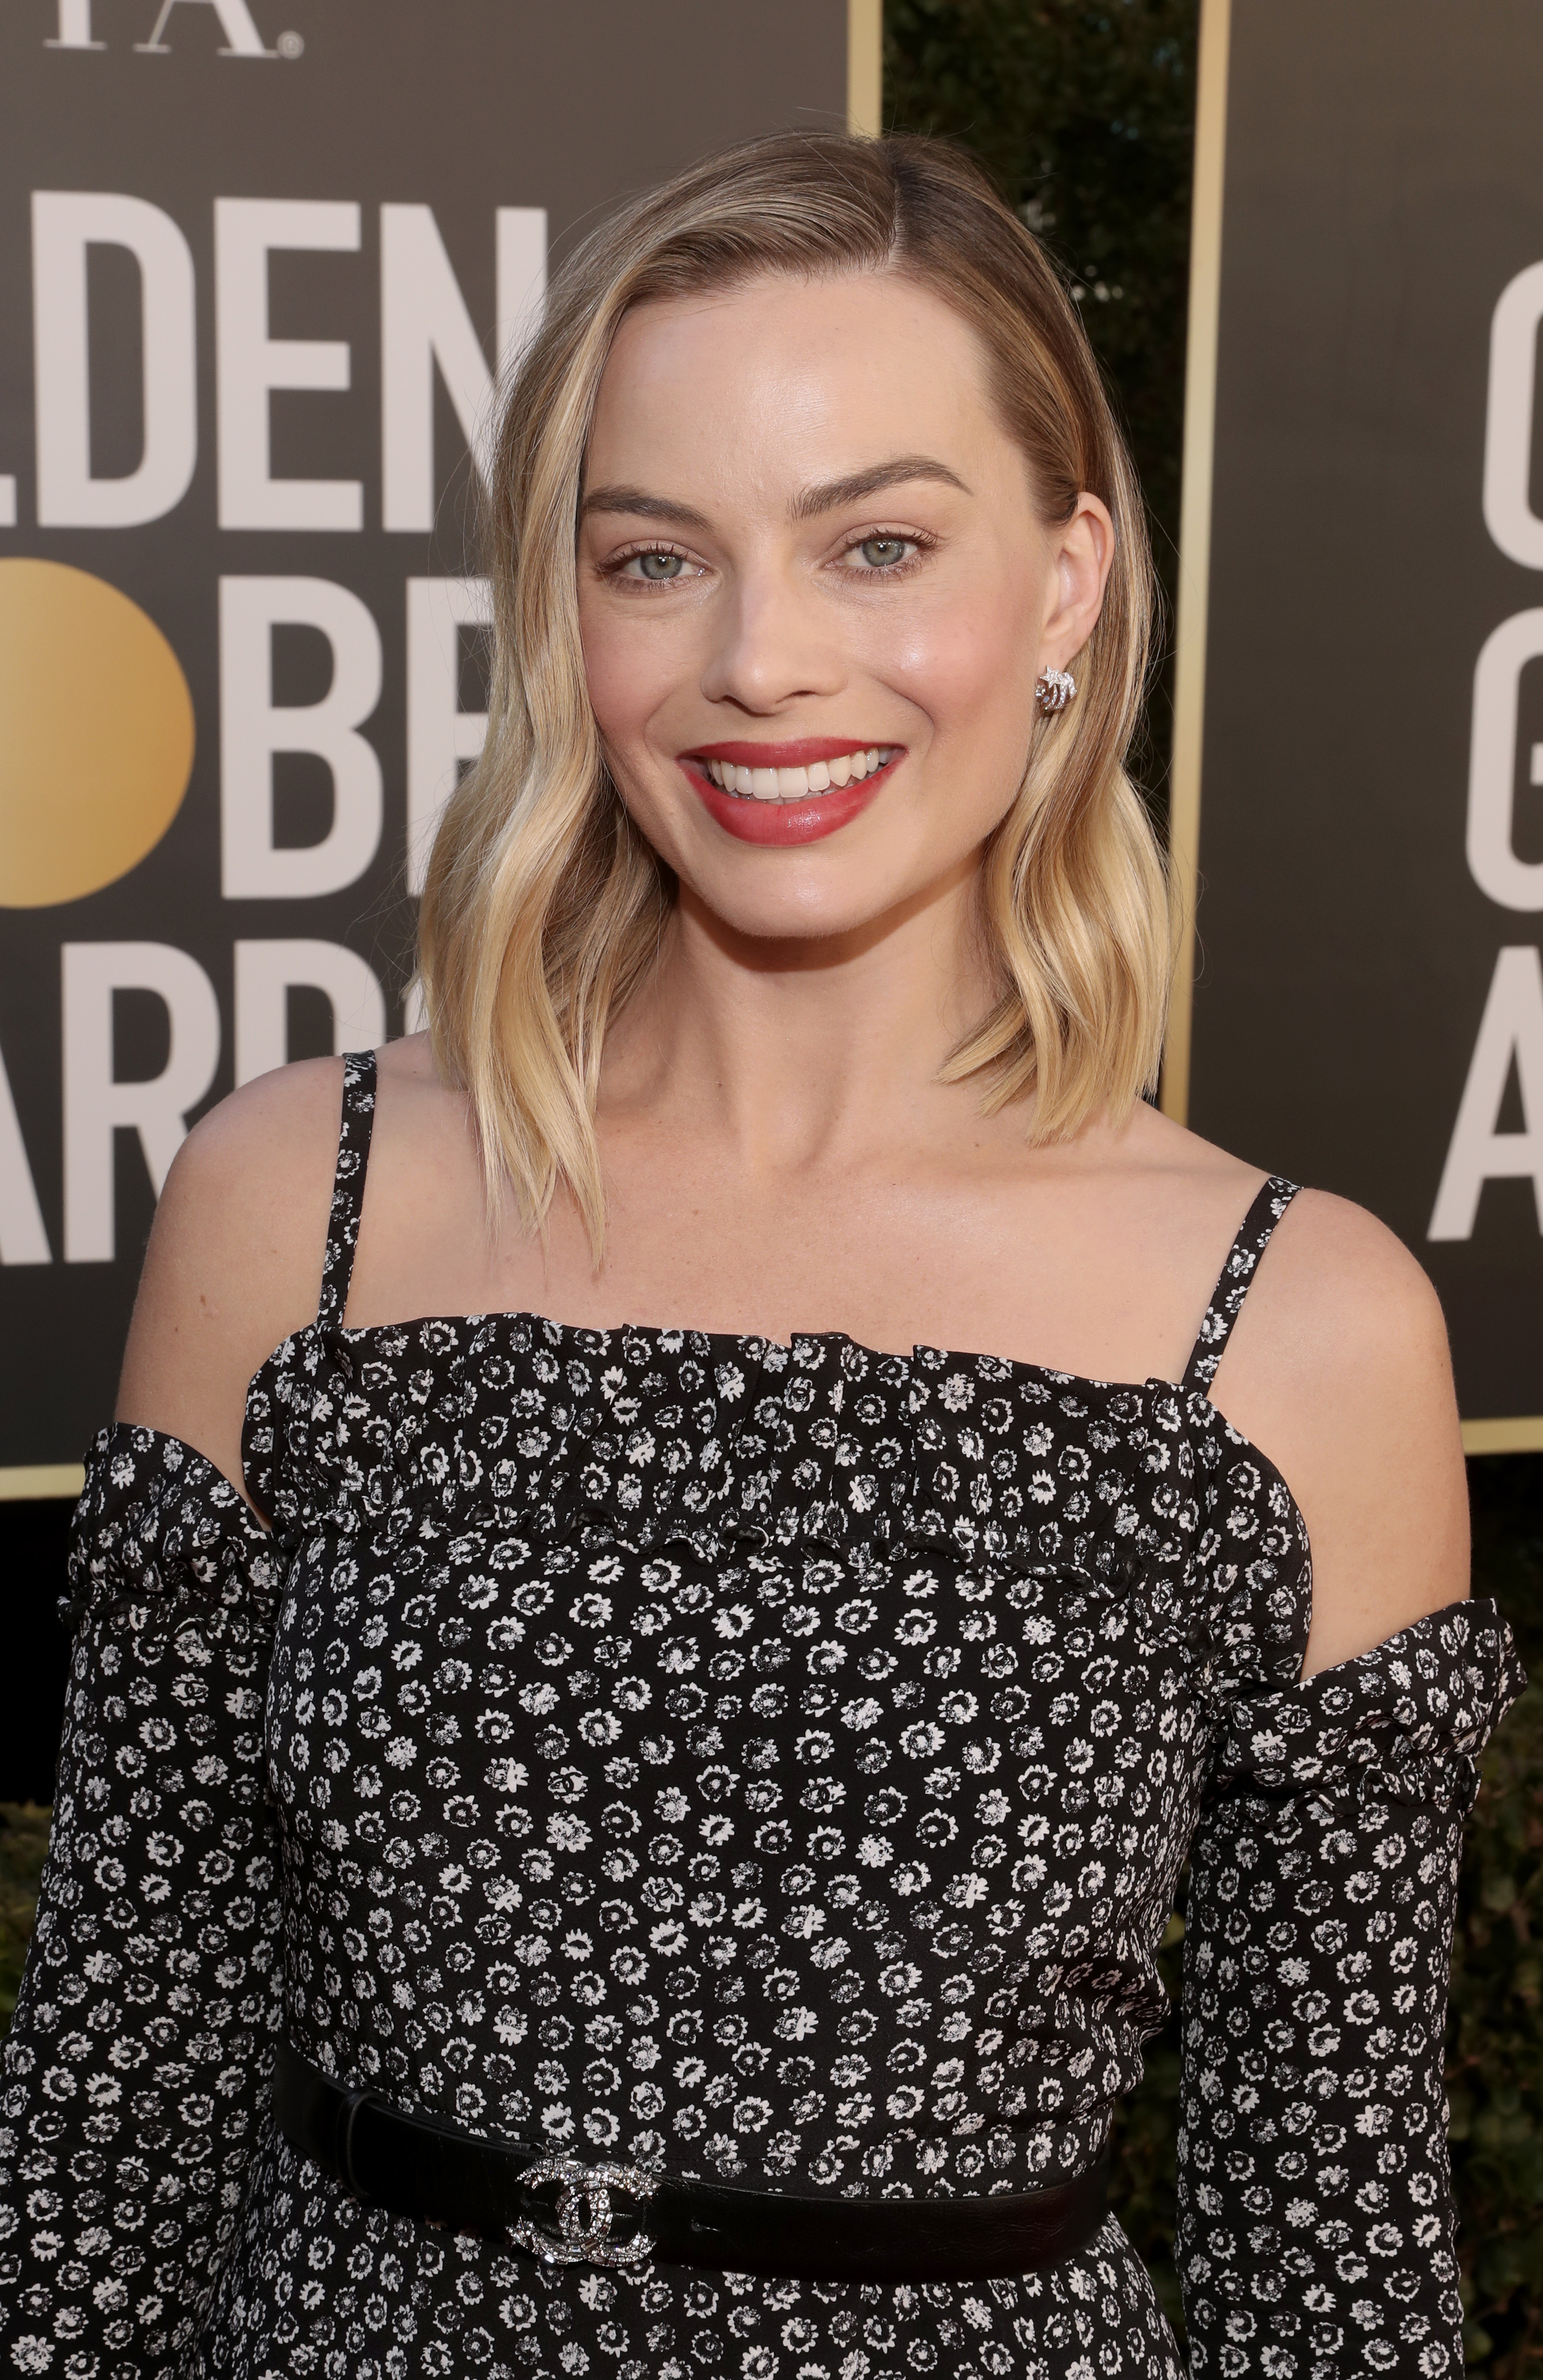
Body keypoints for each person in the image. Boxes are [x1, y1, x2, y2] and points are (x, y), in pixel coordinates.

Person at [0, 131, 1521, 2380]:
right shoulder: (294, 1200)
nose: (760, 662)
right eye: (654, 557)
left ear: (1070, 583)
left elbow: (1325, 2229)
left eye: (878, 543)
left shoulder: (1293, 1330)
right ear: (565, 606)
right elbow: (116, 2080)